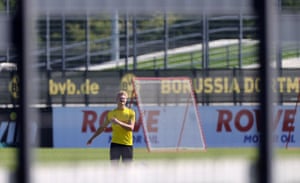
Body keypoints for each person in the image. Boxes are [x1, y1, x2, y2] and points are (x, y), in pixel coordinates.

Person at [87, 90, 135, 164]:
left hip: (127, 144)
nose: (122, 100)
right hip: (115, 144)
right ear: (116, 100)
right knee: (114, 169)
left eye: (124, 98)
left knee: (127, 169)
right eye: (120, 98)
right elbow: (102, 127)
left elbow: (131, 128)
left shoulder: (131, 113)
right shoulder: (111, 114)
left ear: (126, 100)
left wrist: (118, 122)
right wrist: (92, 138)